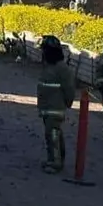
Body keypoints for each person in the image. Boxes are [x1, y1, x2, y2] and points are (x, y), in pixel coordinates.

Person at [36, 35, 75, 173]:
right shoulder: (48, 66)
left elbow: (69, 89)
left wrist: (68, 103)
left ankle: (55, 162)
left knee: (52, 134)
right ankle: (54, 159)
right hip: (47, 108)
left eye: (44, 50)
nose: (42, 53)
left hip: (55, 109)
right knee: (53, 134)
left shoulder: (62, 69)